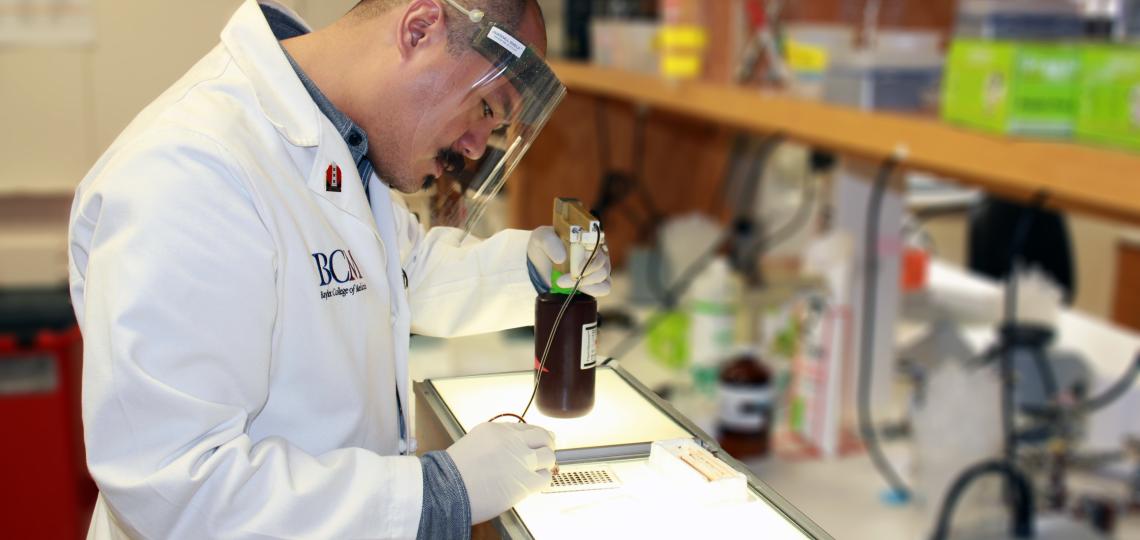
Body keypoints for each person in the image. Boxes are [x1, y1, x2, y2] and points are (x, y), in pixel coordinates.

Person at [66, 0, 611, 538]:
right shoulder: (194, 170)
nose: (473, 148)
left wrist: (530, 270)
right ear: (419, 29)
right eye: (488, 108)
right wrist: (435, 494)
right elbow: (178, 487)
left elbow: (398, 274)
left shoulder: (342, 142)